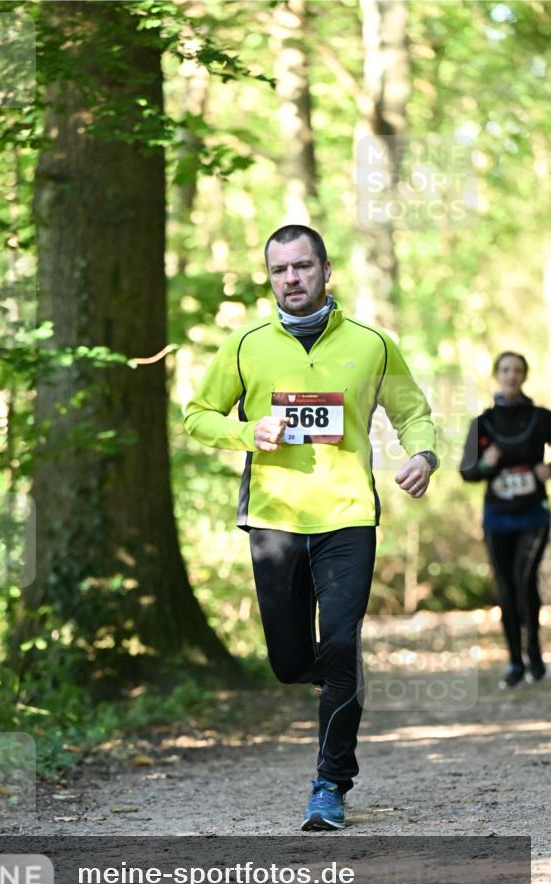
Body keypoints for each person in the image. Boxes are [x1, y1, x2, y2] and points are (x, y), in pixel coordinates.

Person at [184, 224, 437, 831]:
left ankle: (330, 784)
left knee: (341, 644)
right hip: (273, 520)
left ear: (327, 270)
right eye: (280, 270)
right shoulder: (246, 346)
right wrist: (247, 432)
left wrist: (422, 456)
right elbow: (197, 415)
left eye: (302, 266)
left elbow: (413, 412)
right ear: (270, 277)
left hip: (348, 517)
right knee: (290, 661)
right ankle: (337, 673)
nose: (291, 278)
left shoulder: (372, 344)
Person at [460, 351, 550, 687]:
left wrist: (548, 469)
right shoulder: (482, 423)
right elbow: (466, 472)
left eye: (517, 370)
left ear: (525, 375)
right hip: (497, 516)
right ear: (497, 375)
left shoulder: (541, 418)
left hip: (533, 514)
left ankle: (534, 654)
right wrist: (486, 463)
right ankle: (515, 661)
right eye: (506, 370)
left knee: (524, 580)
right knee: (507, 587)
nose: (512, 375)